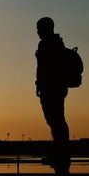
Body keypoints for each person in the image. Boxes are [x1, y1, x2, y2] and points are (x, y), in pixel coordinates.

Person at [35, 17, 70, 165]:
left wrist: (41, 84)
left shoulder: (48, 44)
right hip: (54, 87)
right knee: (56, 120)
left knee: (56, 121)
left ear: (46, 28)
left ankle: (61, 154)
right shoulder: (56, 43)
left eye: (39, 28)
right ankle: (61, 153)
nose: (37, 31)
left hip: (51, 88)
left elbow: (45, 68)